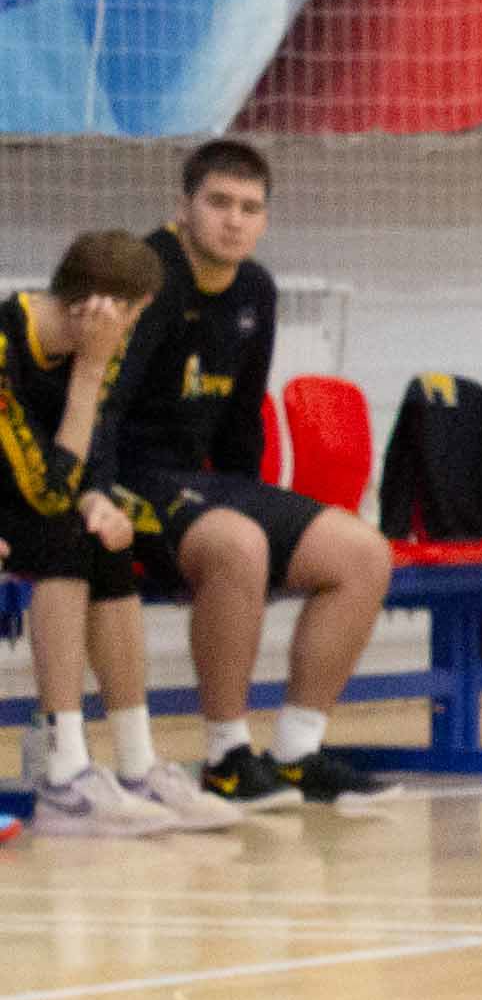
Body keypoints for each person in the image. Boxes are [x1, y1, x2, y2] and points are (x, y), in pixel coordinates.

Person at [111, 141, 400, 808]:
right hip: (129, 476)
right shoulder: (146, 277)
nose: (233, 221)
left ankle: (297, 751)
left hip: (205, 481)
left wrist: (251, 502)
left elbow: (241, 419)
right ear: (183, 206)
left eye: (249, 208)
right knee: (238, 543)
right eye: (218, 203)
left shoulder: (256, 290)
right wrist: (92, 497)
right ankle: (227, 758)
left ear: (265, 219)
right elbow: (102, 408)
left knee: (363, 553)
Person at [8, 236, 240, 836]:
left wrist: (98, 500)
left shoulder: (97, 344)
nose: (132, 330)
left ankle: (137, 765)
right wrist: (88, 372)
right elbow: (47, 489)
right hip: (19, 499)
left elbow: (84, 463)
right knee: (63, 536)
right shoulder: (10, 346)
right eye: (133, 315)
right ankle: (63, 775)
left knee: (106, 539)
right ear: (102, 309)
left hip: (28, 496)